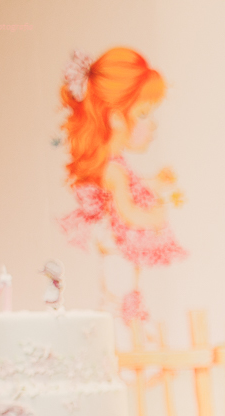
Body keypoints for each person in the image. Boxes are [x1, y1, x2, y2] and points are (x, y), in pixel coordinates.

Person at [57, 47, 185, 323]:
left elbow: (131, 187)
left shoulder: (114, 166)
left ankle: (132, 339)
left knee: (124, 301)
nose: (152, 125)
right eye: (142, 114)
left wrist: (154, 183)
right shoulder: (113, 170)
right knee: (121, 302)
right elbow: (126, 211)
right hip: (117, 250)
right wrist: (154, 218)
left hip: (117, 254)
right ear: (115, 117)